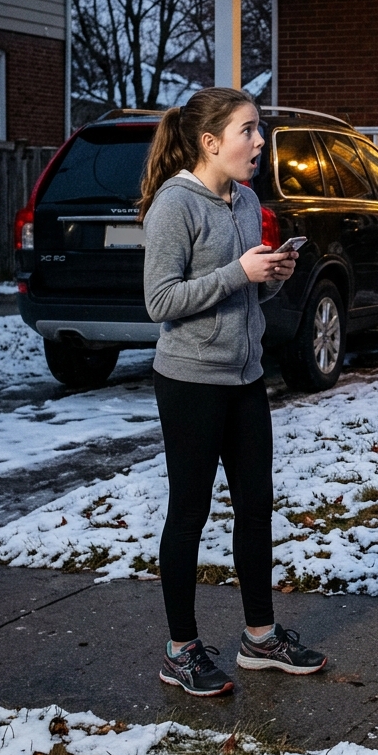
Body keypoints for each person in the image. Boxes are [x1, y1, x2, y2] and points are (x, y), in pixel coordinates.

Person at [140, 87, 327, 698]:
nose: (259, 141)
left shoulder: (246, 200)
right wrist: (236, 274)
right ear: (210, 142)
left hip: (246, 379)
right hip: (190, 381)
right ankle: (180, 648)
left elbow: (245, 293)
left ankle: (259, 636)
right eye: (248, 131)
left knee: (255, 506)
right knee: (189, 513)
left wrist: (269, 276)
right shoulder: (175, 206)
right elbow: (160, 301)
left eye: (259, 129)